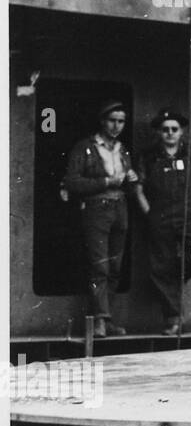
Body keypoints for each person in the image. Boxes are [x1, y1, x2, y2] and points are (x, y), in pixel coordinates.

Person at [136, 110, 191, 335]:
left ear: (181, 131)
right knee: (160, 267)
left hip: (189, 216)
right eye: (165, 130)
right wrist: (147, 211)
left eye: (174, 129)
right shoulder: (149, 156)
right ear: (159, 132)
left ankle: (173, 277)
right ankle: (172, 321)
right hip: (160, 218)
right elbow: (138, 186)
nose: (170, 133)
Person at [63, 101, 139, 337]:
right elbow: (72, 182)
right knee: (100, 266)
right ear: (102, 120)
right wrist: (105, 182)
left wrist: (132, 177)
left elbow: (128, 177)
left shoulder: (122, 149)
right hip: (96, 208)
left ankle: (108, 317)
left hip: (120, 207)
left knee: (115, 266)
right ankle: (99, 319)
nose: (116, 126)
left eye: (121, 121)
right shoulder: (85, 147)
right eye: (112, 120)